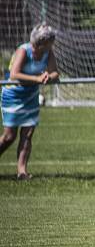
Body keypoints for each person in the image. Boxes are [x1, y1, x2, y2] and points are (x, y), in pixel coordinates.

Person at [0, 23, 59, 179]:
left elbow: (55, 73)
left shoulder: (48, 52)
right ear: (41, 43)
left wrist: (48, 77)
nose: (52, 44)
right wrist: (37, 78)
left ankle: (22, 172)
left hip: (31, 95)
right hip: (13, 95)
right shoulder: (23, 51)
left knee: (28, 133)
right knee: (9, 136)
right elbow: (14, 74)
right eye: (50, 42)